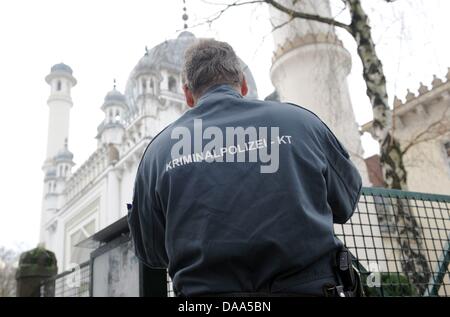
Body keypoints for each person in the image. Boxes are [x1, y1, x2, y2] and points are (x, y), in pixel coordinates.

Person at [128, 39, 362, 297]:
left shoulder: (158, 154)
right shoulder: (300, 123)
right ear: (242, 83)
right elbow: (346, 202)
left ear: (187, 94)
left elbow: (151, 252)